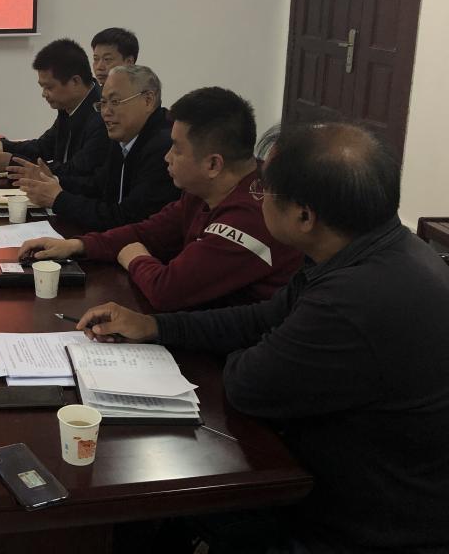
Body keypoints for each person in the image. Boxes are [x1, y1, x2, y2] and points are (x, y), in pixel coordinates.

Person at [75, 123, 449, 552]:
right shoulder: (372, 249)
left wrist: (263, 343)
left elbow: (246, 383)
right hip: (347, 483)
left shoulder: (355, 299)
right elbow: (261, 318)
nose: (256, 198)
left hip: (363, 527)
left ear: (304, 216)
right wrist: (155, 327)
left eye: (264, 191)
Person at [20, 87, 300, 310]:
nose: (167, 157)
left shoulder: (253, 214)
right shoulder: (203, 190)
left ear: (213, 164)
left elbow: (166, 290)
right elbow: (150, 231)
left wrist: (135, 257)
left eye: (176, 149)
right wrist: (76, 245)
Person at [11, 65, 179, 231]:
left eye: (115, 102)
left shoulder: (163, 147)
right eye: (103, 103)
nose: (106, 112)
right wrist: (54, 181)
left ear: (148, 100)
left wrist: (58, 199)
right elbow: (98, 186)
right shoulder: (123, 135)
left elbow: (127, 219)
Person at [0, 38, 108, 182]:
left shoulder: (103, 115)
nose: (44, 94)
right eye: (42, 87)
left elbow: (75, 171)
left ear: (75, 81)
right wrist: (3, 146)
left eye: (49, 87)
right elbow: (44, 147)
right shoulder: (69, 105)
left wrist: (12, 163)